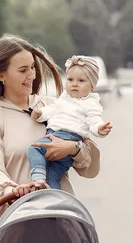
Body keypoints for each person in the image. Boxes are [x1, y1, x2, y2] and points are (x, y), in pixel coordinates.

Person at [0, 34, 100, 224]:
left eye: (32, 67)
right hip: (18, 220)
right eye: (23, 70)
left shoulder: (51, 106)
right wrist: (12, 191)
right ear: (1, 75)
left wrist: (73, 149)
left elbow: (90, 169)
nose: (31, 75)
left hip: (62, 219)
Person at [27, 56, 112, 190]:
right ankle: (51, 195)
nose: (74, 84)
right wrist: (40, 114)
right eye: (70, 79)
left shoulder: (90, 103)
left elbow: (94, 120)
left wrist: (99, 128)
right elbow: (52, 109)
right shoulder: (64, 98)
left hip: (66, 137)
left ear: (92, 86)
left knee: (35, 148)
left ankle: (37, 178)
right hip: (63, 147)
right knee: (53, 175)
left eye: (81, 81)